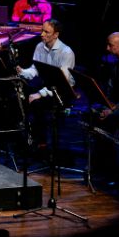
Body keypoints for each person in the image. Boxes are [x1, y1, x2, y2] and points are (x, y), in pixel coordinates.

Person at [16, 18, 75, 146]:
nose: (42, 34)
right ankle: (26, 133)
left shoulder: (66, 52)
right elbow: (35, 69)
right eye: (42, 31)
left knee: (37, 103)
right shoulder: (40, 46)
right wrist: (22, 71)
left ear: (56, 34)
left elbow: (61, 82)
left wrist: (40, 94)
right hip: (48, 86)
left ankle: (41, 141)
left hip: (63, 90)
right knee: (20, 95)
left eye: (46, 32)